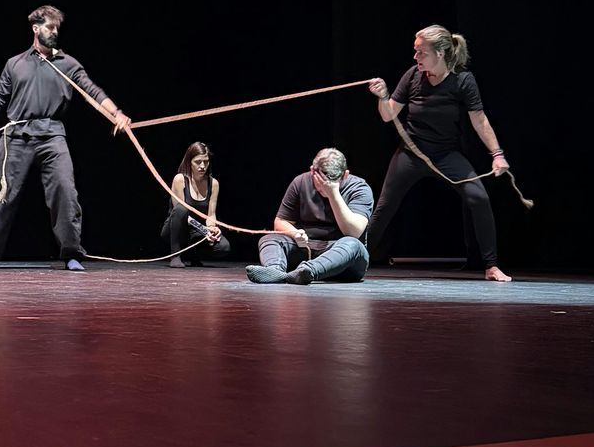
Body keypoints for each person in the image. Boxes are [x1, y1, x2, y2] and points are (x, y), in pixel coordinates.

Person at [0, 5, 130, 271]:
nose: (54, 32)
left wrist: (117, 114)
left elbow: (93, 92)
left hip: (52, 135)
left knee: (65, 191)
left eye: (56, 28)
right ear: (36, 28)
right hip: (16, 135)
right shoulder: (15, 64)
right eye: (50, 27)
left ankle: (71, 253)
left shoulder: (68, 64)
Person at [365, 24, 512, 282]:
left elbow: (480, 120)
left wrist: (497, 154)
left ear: (440, 53)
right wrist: (382, 96)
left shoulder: (463, 80)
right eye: (415, 51)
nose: (415, 57)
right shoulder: (412, 76)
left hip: (446, 155)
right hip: (410, 155)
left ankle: (491, 266)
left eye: (421, 52)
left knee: (479, 198)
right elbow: (388, 115)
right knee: (384, 207)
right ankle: (355, 259)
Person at [246, 147, 374, 284]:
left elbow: (353, 232)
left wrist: (333, 194)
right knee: (270, 238)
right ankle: (275, 271)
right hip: (307, 247)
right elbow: (281, 221)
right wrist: (295, 233)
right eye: (321, 181)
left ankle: (308, 271)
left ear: (345, 175)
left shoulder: (359, 188)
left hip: (342, 256)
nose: (324, 186)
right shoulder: (301, 182)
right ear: (312, 171)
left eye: (332, 182)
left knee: (352, 244)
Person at [162, 142, 230, 266]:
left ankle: (194, 254)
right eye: (198, 162)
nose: (202, 166)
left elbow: (211, 215)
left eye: (206, 162)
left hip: (195, 232)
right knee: (181, 209)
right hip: (176, 229)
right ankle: (175, 255)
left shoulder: (213, 184)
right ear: (190, 162)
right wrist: (203, 230)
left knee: (223, 246)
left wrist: (211, 229)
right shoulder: (180, 180)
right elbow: (180, 214)